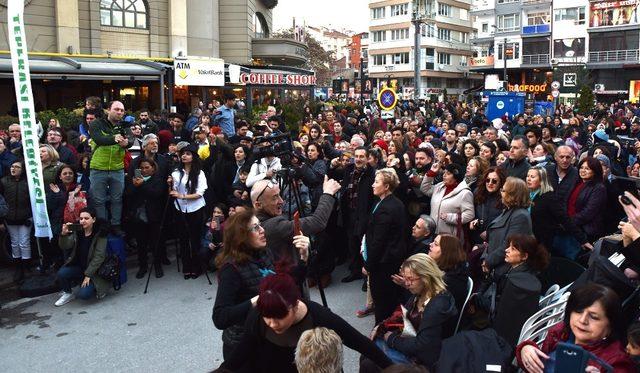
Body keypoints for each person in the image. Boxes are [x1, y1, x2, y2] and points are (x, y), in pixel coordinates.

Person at [219, 272, 393, 372]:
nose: (271, 323)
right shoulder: (257, 315)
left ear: (295, 305)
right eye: (267, 316)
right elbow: (239, 355)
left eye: (279, 316)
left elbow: (360, 343)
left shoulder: (320, 317)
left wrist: (393, 368)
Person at [212, 209, 310, 359]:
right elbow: (220, 318)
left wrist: (303, 257)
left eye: (260, 225)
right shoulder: (230, 269)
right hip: (243, 347)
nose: (262, 230)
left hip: (267, 335)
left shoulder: (264, 252)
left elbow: (285, 283)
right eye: (256, 228)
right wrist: (259, 299)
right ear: (241, 236)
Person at [516, 283, 635, 372]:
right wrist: (525, 349)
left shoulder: (617, 361)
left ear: (610, 326)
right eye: (578, 311)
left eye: (594, 317)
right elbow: (539, 367)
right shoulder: (560, 331)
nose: (582, 320)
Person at [372, 254, 457, 370]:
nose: (406, 283)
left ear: (426, 277)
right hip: (414, 347)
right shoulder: (420, 294)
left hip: (425, 361)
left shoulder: (438, 305)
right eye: (405, 278)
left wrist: (392, 339)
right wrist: (382, 327)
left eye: (410, 279)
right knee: (370, 351)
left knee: (371, 360)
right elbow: (402, 316)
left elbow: (423, 346)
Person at [475, 234, 549, 347]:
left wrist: (478, 298)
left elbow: (501, 310)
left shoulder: (519, 283)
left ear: (524, 257)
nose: (506, 250)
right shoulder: (513, 268)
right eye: (508, 246)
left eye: (513, 249)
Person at [364, 168, 407, 324]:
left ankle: (381, 331)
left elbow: (379, 242)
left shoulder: (387, 209)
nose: (373, 185)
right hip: (391, 258)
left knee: (382, 302)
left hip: (383, 263)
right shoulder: (391, 202)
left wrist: (368, 265)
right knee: (388, 299)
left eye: (376, 182)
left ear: (387, 186)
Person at [88, 100, 131, 236]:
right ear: (108, 110)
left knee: (117, 199)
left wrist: (126, 143)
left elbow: (130, 140)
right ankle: (102, 225)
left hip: (117, 168)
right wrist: (115, 138)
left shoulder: (125, 126)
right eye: (116, 109)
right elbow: (99, 139)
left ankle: (116, 225)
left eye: (122, 110)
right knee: (99, 200)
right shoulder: (96, 123)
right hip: (98, 168)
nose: (119, 112)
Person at [526, 166, 591, 255]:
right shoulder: (527, 195)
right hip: (528, 239)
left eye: (532, 177)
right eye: (528, 176)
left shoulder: (549, 197)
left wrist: (582, 240)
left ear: (542, 180)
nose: (528, 179)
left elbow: (565, 219)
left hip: (543, 243)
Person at [54, 207, 110, 307]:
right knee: (62, 273)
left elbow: (99, 257)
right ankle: (68, 293)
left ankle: (98, 288)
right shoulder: (77, 229)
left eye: (86, 218)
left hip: (94, 271)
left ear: (93, 219)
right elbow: (65, 246)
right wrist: (64, 234)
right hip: (79, 266)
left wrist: (88, 275)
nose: (83, 221)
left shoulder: (101, 233)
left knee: (84, 295)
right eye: (81, 218)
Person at [170, 145, 208, 279]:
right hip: (180, 209)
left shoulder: (199, 173)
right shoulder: (176, 173)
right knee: (183, 239)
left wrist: (182, 196)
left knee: (195, 239)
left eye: (187, 154)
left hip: (195, 208)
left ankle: (196, 266)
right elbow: (173, 190)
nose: (184, 156)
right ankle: (187, 267)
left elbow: (199, 193)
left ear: (193, 156)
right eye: (182, 154)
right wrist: (170, 184)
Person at [125, 158, 167, 279]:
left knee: (156, 243)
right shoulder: (134, 179)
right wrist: (134, 185)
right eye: (142, 168)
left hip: (154, 216)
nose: (144, 170)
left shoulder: (158, 179)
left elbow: (157, 193)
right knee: (141, 244)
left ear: (153, 168)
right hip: (139, 217)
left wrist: (142, 185)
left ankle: (157, 266)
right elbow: (128, 193)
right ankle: (143, 266)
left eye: (147, 167)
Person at [483, 177, 533, 272]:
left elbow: (508, 245)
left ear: (513, 195)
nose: (501, 193)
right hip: (497, 265)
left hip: (504, 269)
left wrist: (488, 261)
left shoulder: (520, 216)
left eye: (504, 190)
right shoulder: (509, 210)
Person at [420, 161, 474, 237]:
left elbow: (469, 215)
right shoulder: (440, 186)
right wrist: (431, 172)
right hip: (433, 232)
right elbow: (425, 189)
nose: (444, 175)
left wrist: (450, 217)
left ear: (456, 177)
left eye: (448, 173)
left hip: (450, 236)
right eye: (444, 172)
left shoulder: (465, 193)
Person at [566, 157, 607, 246]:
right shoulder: (577, 182)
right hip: (570, 225)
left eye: (587, 168)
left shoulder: (599, 188)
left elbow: (588, 213)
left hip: (585, 231)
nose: (583, 171)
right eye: (581, 167)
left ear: (595, 171)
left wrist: (568, 222)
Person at [1, 161, 31, 282]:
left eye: (17, 167)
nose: (14, 168)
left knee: (24, 242)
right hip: (10, 217)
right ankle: (18, 267)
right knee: (14, 242)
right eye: (12, 166)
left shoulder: (28, 182)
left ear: (22, 169)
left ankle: (26, 266)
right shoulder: (3, 182)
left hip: (26, 217)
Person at [425, 234, 468, 312]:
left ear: (446, 252)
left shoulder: (451, 281)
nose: (430, 244)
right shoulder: (443, 269)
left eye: (436, 244)